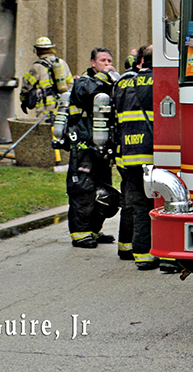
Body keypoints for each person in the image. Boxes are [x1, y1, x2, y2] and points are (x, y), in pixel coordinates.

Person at [65, 47, 120, 248]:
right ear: (93, 63)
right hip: (84, 146)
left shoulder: (111, 84)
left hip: (103, 148)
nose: (107, 63)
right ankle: (80, 234)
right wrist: (104, 78)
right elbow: (87, 93)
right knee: (83, 190)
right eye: (103, 60)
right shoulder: (83, 82)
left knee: (104, 191)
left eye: (109, 60)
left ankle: (95, 230)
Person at [112, 45, 157, 269]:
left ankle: (141, 255)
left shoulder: (122, 83)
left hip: (128, 156)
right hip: (154, 154)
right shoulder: (159, 81)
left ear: (140, 61)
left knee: (138, 205)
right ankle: (166, 257)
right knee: (162, 204)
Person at [19, 36, 73, 118]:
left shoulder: (37, 66)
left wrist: (24, 100)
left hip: (45, 106)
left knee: (44, 128)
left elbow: (26, 84)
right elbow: (70, 83)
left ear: (37, 50)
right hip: (62, 105)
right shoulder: (62, 63)